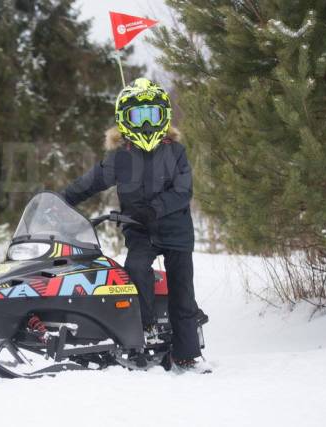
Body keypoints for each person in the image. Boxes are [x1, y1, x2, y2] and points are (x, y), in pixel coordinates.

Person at [61, 77, 205, 370]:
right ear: (126, 120)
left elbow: (183, 191)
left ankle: (188, 354)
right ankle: (145, 329)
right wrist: (60, 202)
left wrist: (154, 209)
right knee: (135, 269)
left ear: (162, 116)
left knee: (183, 291)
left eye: (152, 114)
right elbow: (90, 182)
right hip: (140, 230)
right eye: (138, 116)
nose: (146, 122)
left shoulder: (176, 152)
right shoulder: (120, 157)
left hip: (176, 231)